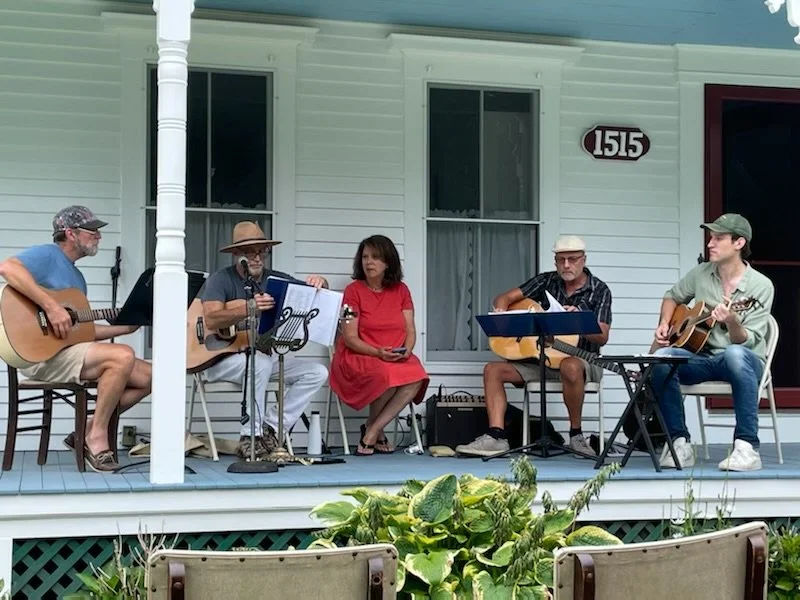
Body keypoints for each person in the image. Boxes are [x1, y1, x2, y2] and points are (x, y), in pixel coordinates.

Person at [0, 206, 151, 472]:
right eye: (92, 231)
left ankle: (85, 430)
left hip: (67, 352)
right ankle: (97, 438)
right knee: (122, 356)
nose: (98, 236)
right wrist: (51, 307)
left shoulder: (77, 279)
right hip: (40, 356)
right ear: (70, 233)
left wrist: (125, 328)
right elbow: (8, 268)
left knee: (152, 376)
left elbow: (82, 331)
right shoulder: (49, 255)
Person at [456, 235, 612, 458]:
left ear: (583, 260)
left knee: (570, 365)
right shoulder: (546, 281)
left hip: (583, 360)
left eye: (572, 259)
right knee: (493, 370)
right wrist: (502, 313)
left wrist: (577, 322)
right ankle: (496, 437)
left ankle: (576, 434)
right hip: (541, 361)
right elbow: (504, 297)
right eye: (561, 260)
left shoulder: (600, 290)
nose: (566, 265)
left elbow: (603, 337)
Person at [651, 213, 774, 472]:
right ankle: (679, 443)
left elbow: (746, 341)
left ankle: (746, 448)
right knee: (663, 358)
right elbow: (672, 296)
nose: (710, 243)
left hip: (746, 362)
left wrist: (732, 320)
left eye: (718, 238)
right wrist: (665, 322)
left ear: (739, 243)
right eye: (711, 237)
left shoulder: (761, 286)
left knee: (734, 353)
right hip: (703, 358)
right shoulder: (702, 273)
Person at [199, 221, 329, 460]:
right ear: (237, 255)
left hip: (261, 360)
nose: (258, 258)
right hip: (219, 358)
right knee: (259, 362)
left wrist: (321, 282)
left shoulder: (274, 279)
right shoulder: (221, 279)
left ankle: (270, 428)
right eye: (250, 252)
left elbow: (311, 294)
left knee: (316, 372)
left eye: (262, 252)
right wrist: (249, 307)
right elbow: (211, 318)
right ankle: (250, 436)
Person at [330, 235, 429, 455]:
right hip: (359, 354)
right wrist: (378, 352)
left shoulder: (401, 290)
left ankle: (373, 429)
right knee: (386, 374)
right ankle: (375, 432)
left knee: (417, 375)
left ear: (388, 262)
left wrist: (407, 350)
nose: (369, 262)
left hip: (394, 354)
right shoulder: (352, 292)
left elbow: (410, 330)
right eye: (365, 257)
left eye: (375, 257)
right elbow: (350, 338)